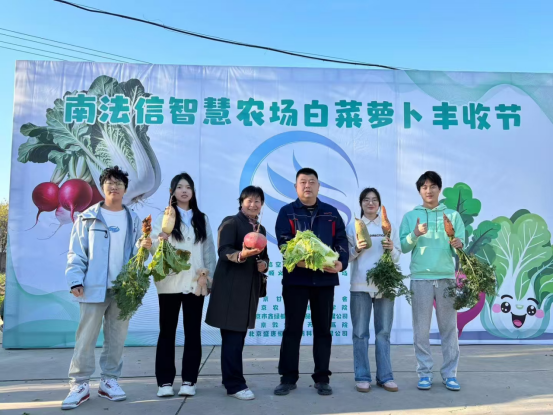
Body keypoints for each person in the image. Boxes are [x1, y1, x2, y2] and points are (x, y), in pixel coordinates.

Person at [62, 166, 147, 410]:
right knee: (86, 337)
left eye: (119, 183)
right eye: (110, 182)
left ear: (125, 189)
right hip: (93, 287)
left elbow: (138, 253)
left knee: (116, 337)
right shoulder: (87, 217)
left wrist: (146, 247)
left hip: (123, 289)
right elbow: (76, 251)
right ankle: (79, 384)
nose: (114, 186)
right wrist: (75, 279)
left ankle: (109, 381)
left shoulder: (133, 219)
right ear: (102, 187)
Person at [274, 168, 349, 397]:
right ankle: (288, 378)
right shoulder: (287, 212)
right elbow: (285, 245)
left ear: (318, 186)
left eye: (312, 182)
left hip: (325, 281)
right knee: (292, 330)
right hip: (296, 281)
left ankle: (322, 378)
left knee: (323, 330)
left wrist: (341, 264)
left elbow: (341, 241)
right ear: (296, 186)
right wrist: (309, 262)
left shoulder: (331, 213)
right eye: (303, 182)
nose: (307, 186)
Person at [150, 173, 216, 398]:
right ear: (172, 192)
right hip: (169, 282)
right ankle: (164, 382)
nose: (184, 191)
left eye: (188, 187)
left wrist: (210, 279)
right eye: (179, 187)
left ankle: (189, 380)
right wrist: (159, 240)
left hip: (195, 283)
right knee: (167, 332)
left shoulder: (201, 218)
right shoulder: (164, 216)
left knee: (193, 333)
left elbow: (208, 251)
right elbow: (153, 248)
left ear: (193, 192)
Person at [399, 171, 465, 392]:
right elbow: (404, 247)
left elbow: (460, 247)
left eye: (433, 186)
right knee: (421, 330)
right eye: (424, 187)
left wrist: (458, 244)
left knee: (449, 329)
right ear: (419, 191)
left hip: (446, 277)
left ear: (439, 189)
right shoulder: (411, 216)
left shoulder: (452, 215)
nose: (429, 190)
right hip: (421, 278)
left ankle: (450, 374)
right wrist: (415, 234)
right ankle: (424, 373)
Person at [205, 186, 269, 400]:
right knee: (232, 337)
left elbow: (264, 257)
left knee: (238, 338)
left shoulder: (261, 229)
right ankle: (235, 385)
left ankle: (230, 379)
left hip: (249, 290)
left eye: (257, 201)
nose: (253, 204)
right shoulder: (231, 222)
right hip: (231, 290)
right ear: (241, 202)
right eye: (249, 200)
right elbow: (224, 251)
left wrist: (264, 265)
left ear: (262, 205)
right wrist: (242, 255)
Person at [346, 188, 401, 393]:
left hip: (385, 285)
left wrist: (391, 249)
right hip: (360, 285)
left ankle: (385, 376)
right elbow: (346, 257)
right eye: (366, 200)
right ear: (361, 203)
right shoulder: (353, 226)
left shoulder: (388, 226)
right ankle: (362, 376)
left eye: (375, 200)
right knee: (360, 333)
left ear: (379, 203)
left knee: (383, 333)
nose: (370, 203)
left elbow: (397, 256)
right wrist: (357, 249)